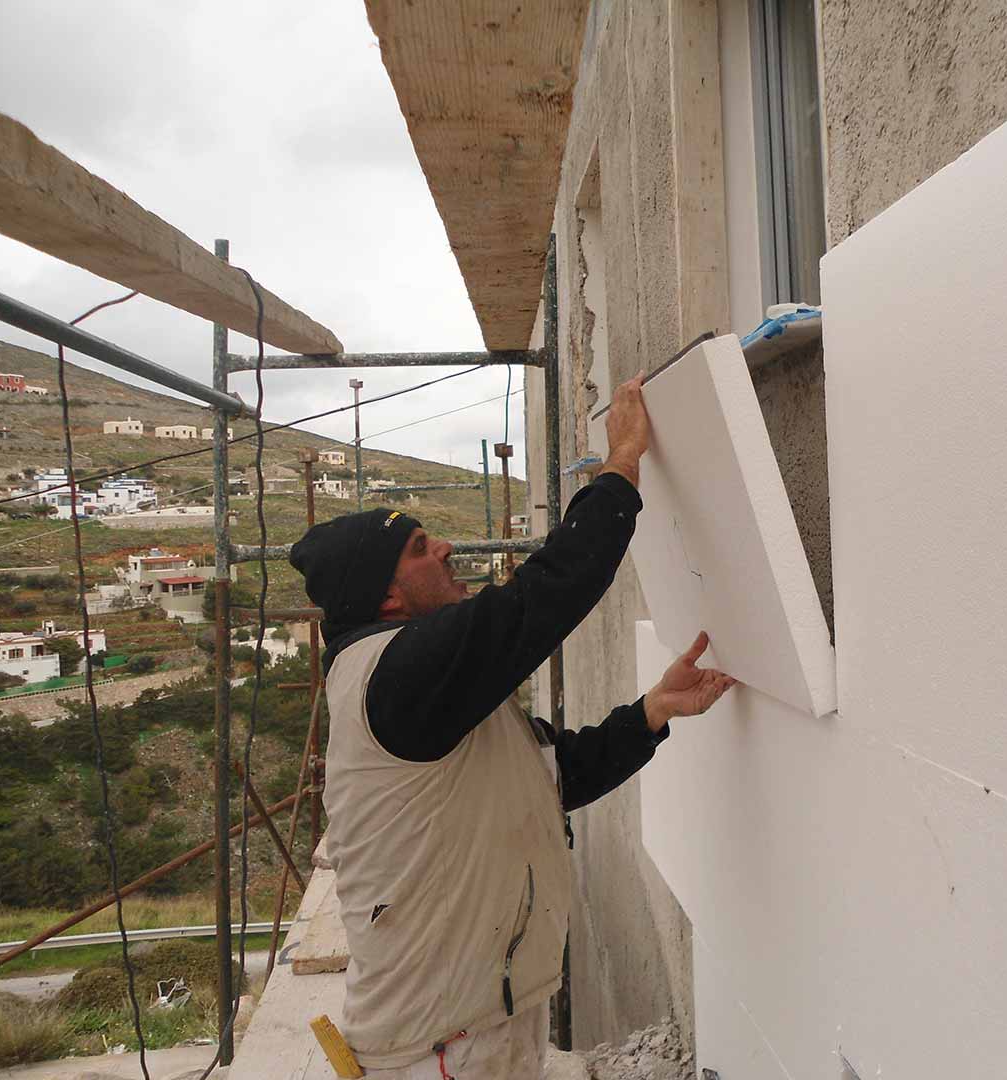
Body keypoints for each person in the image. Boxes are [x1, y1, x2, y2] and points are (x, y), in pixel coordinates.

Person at [288, 374, 734, 1078]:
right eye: (420, 548)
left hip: (472, 1031)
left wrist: (653, 710)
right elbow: (543, 596)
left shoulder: (422, 690)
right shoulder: (395, 677)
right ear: (387, 596)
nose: (444, 549)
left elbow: (551, 778)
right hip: (439, 1052)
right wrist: (622, 461)